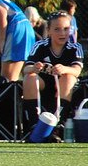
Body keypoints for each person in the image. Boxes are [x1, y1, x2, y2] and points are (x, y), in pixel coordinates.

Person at [21, 11, 83, 142]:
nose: (62, 33)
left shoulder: (75, 47)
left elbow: (77, 71)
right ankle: (34, 126)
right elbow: (26, 69)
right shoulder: (40, 46)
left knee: (69, 77)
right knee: (30, 77)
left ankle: (56, 127)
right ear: (49, 30)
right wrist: (34, 67)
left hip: (63, 85)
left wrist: (64, 69)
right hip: (44, 81)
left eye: (66, 29)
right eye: (57, 29)